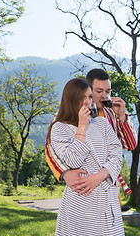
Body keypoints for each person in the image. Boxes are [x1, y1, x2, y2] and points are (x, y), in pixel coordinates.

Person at [45, 69, 137, 203]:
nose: (104, 96)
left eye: (108, 92)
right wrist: (64, 173)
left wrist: (121, 116)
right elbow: (50, 149)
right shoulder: (65, 117)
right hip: (83, 188)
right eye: (99, 92)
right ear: (87, 90)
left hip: (109, 185)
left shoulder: (111, 114)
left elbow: (130, 145)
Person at [48, 78, 124, 235]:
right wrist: (81, 127)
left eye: (89, 97)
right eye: (82, 98)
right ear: (71, 100)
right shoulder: (59, 128)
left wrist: (101, 175)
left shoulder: (102, 124)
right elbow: (73, 161)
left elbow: (117, 155)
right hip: (81, 200)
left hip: (107, 200)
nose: (87, 102)